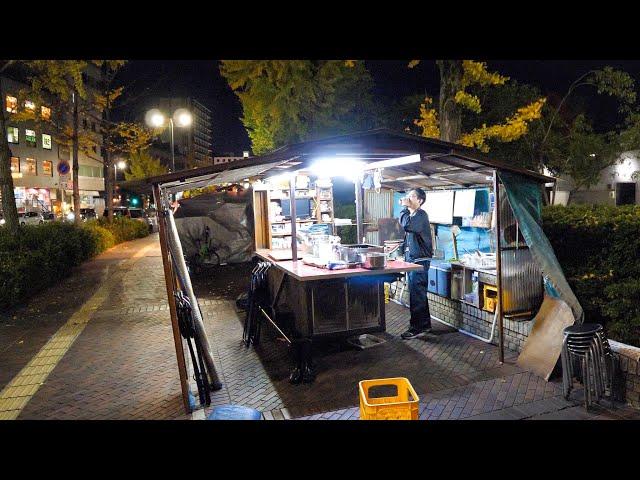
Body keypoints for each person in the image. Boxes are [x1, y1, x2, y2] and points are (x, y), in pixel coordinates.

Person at [398, 188, 433, 339]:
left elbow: (407, 226)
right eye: (408, 196)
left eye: (412, 196)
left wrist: (404, 208)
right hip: (412, 260)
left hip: (419, 261)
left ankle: (417, 328)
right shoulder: (413, 215)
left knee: (417, 295)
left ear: (420, 201)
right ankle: (424, 325)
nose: (408, 198)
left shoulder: (420, 215)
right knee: (418, 294)